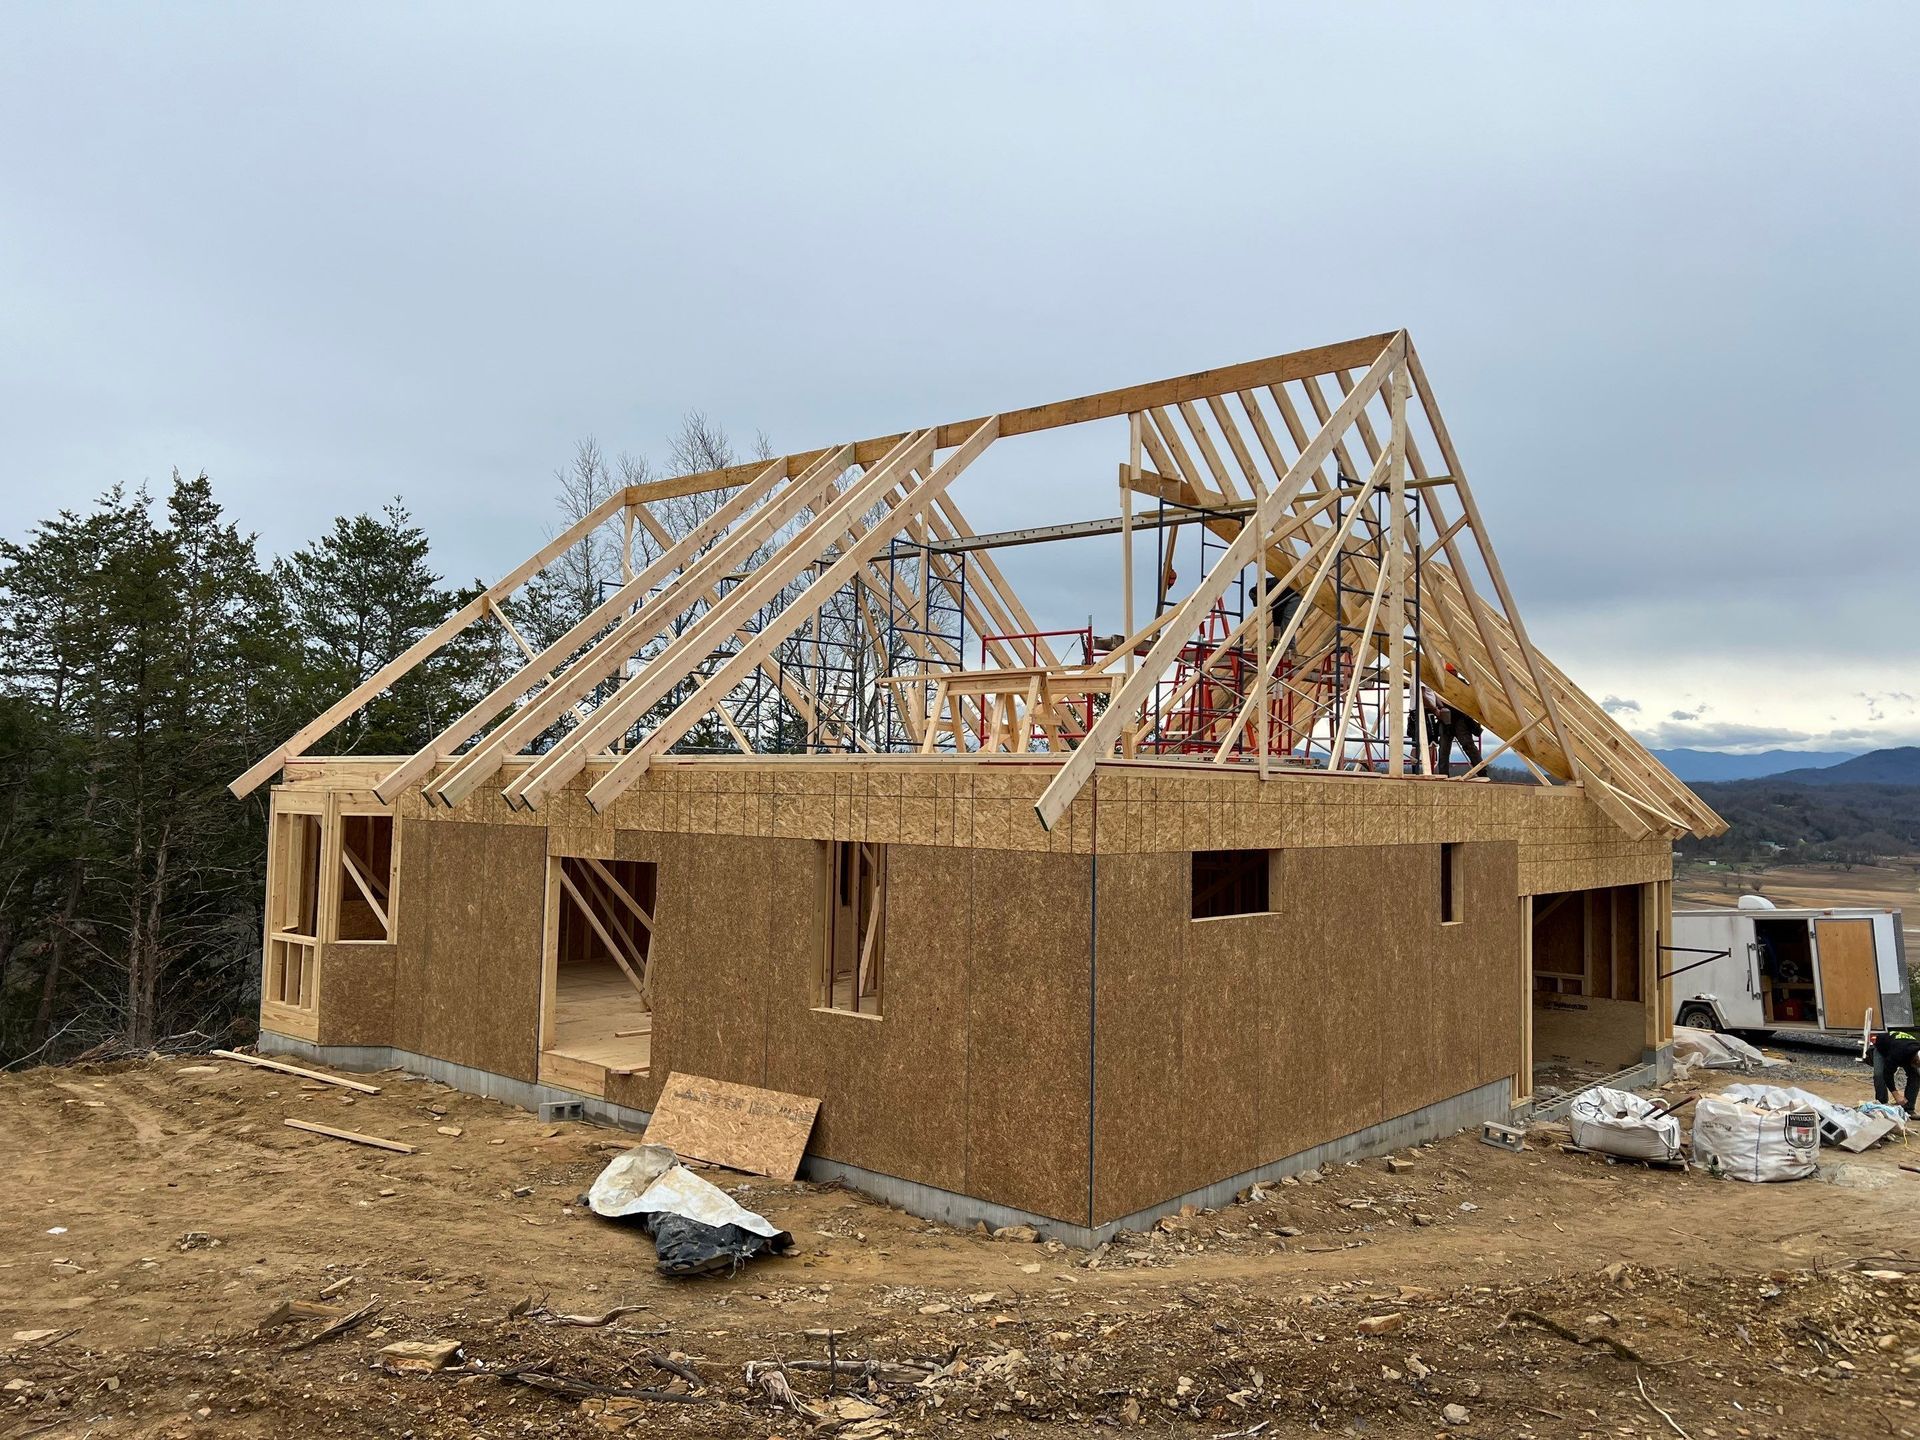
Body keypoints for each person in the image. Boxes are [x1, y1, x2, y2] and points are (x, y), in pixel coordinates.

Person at [1870, 1027, 1920, 1117]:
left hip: (1902, 1047)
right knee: (1879, 1075)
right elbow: (1887, 1074)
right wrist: (1896, 1095)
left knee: (1915, 1075)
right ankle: (1882, 1106)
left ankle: (1908, 1110)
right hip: (1882, 1048)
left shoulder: (1916, 1050)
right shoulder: (1898, 1053)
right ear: (1916, 1060)